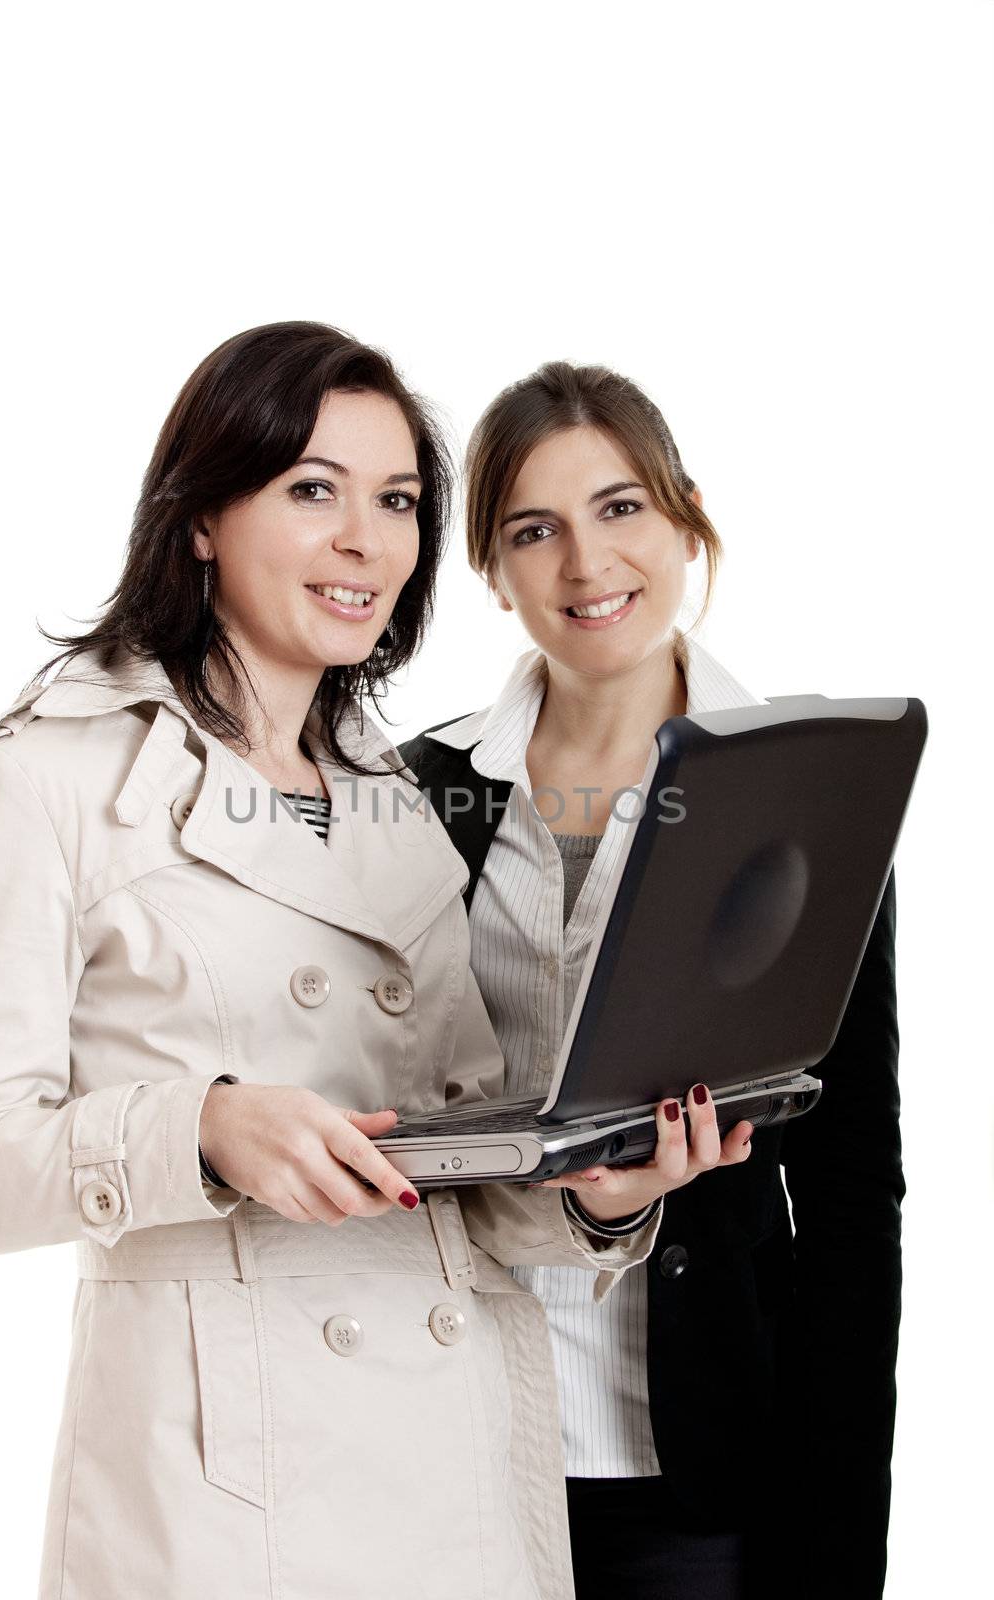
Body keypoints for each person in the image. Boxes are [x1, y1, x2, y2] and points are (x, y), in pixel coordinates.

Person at [0, 322, 733, 1600]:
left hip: (459, 1469)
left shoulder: (394, 798)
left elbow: (447, 1160)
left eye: (397, 500)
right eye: (313, 491)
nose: (367, 541)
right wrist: (203, 1127)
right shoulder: (53, 776)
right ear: (198, 517)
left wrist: (601, 1192)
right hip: (228, 1498)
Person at [401, 360, 903, 1600]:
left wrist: (841, 1544)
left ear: (684, 521)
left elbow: (851, 1204)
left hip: (698, 1464)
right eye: (535, 529)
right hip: (449, 1430)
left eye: (620, 509)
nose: (585, 564)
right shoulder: (418, 793)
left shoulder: (802, 798)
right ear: (490, 569)